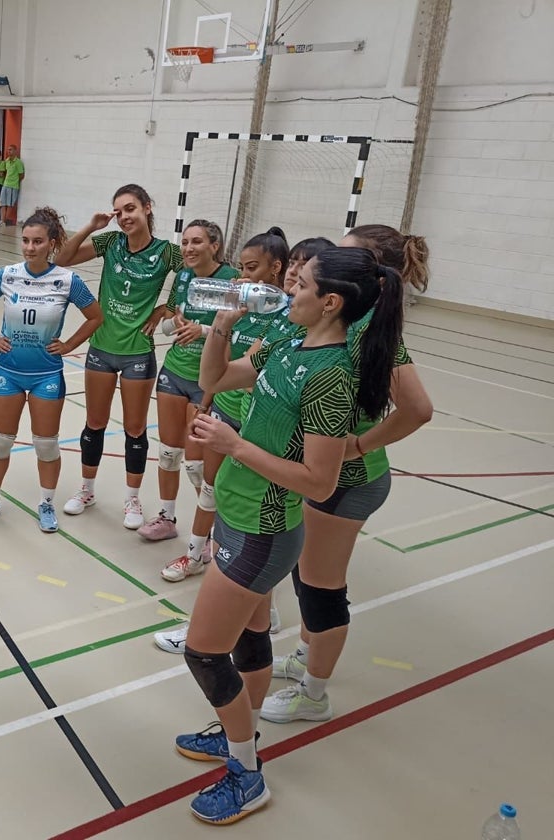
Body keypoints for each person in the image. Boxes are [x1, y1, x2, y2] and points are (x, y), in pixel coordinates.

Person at [171, 246, 403, 825]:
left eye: (299, 286)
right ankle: (238, 732)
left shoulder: (331, 379)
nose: (286, 292)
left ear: (330, 303)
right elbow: (216, 378)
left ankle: (247, 774)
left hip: (265, 530)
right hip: (238, 510)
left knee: (203, 651)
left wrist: (235, 446)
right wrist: (221, 330)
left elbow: (321, 482)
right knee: (251, 636)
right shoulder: (286, 343)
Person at [262, 224, 432, 724]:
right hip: (321, 475)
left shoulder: (368, 330)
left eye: (342, 252)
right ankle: (306, 656)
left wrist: (357, 445)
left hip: (348, 482)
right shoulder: (339, 322)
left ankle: (314, 693)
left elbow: (418, 408)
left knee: (319, 584)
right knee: (306, 572)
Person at [152, 228, 296, 654]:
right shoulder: (243, 305)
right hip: (226, 405)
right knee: (201, 475)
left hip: (254, 423)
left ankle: (200, 557)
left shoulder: (287, 317)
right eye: (243, 268)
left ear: (278, 269)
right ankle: (249, 598)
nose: (245, 276)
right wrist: (208, 399)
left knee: (224, 498)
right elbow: (225, 361)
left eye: (253, 268)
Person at [0, 207, 103, 533]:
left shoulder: (67, 280)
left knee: (46, 444)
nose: (29, 247)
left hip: (46, 374)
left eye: (37, 241)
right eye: (26, 240)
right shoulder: (7, 274)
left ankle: (45, 503)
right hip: (8, 371)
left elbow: (96, 317)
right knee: (0, 441)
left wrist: (69, 345)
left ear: (52, 243)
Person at [57, 184, 183, 529]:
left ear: (147, 207)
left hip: (137, 354)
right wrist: (90, 227)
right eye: (119, 211)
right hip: (101, 348)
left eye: (130, 208)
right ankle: (86, 489)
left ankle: (132, 499)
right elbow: (61, 260)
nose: (125, 217)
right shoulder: (109, 242)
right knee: (94, 423)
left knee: (135, 429)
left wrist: (167, 308)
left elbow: (197, 276)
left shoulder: (168, 252)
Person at [138, 219, 239, 551]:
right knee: (168, 453)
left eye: (196, 242)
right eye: (184, 243)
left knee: (197, 467)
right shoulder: (182, 276)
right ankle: (166, 518)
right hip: (175, 372)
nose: (189, 249)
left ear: (214, 246)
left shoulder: (232, 281)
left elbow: (241, 336)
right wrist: (172, 323)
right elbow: (172, 320)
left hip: (207, 381)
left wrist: (205, 331)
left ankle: (211, 535)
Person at [0, 144, 25, 227]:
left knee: (10, 204)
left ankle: (5, 221)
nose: (9, 151)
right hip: (5, 184)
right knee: (2, 203)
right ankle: (2, 220)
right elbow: (5, 172)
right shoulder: (6, 161)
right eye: (8, 150)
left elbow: (21, 175)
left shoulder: (18, 162)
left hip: (13, 186)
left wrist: (15, 181)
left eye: (11, 150)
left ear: (15, 151)